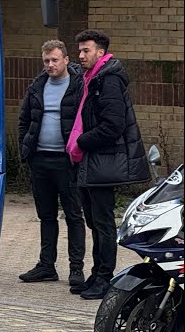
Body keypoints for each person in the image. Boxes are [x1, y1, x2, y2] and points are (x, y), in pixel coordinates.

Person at [68, 29, 151, 300]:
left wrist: (81, 142)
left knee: (103, 223)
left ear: (101, 52)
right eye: (79, 50)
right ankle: (96, 273)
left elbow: (113, 126)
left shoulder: (109, 80)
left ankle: (105, 277)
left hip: (103, 162)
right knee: (94, 221)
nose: (81, 55)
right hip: (90, 161)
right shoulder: (91, 78)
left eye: (86, 50)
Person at [16, 40, 86, 289]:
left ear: (66, 59)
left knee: (73, 215)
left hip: (67, 162)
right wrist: (26, 150)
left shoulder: (80, 85)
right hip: (40, 160)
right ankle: (46, 266)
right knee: (46, 215)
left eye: (55, 60)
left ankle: (76, 268)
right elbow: (24, 120)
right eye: (46, 60)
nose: (50, 65)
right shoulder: (37, 86)